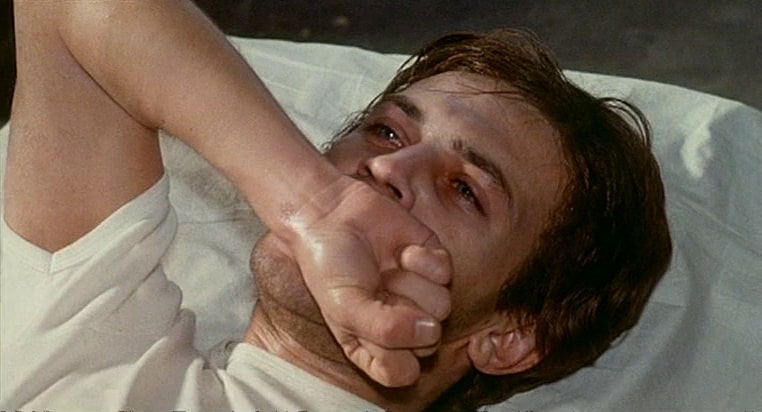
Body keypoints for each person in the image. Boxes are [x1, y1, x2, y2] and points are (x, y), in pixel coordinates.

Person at [0, 1, 672, 412]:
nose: (386, 169)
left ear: (509, 337)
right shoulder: (102, 332)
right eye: (386, 132)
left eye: (465, 189)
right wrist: (313, 204)